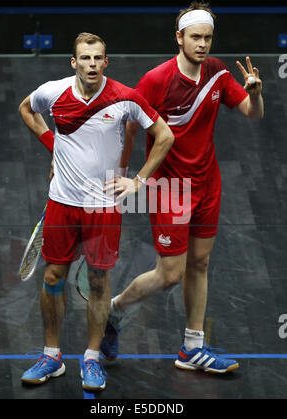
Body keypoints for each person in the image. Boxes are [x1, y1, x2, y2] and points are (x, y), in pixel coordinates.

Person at [101, 2, 264, 373]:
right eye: (195, 37)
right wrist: (127, 173)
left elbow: (254, 114)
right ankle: (114, 310)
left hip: (208, 182)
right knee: (170, 274)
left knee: (200, 263)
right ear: (179, 38)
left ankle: (192, 348)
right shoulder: (156, 80)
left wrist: (253, 92)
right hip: (170, 187)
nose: (203, 44)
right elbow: (129, 125)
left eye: (207, 37)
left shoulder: (219, 72)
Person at [18, 32, 174, 391]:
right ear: (74, 62)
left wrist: (138, 181)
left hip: (103, 207)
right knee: (53, 279)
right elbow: (27, 109)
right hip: (62, 203)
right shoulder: (53, 92)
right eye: (84, 58)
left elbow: (164, 136)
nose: (91, 64)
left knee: (100, 283)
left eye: (97, 58)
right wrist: (52, 146)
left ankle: (91, 358)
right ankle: (51, 356)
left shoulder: (126, 98)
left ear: (107, 62)